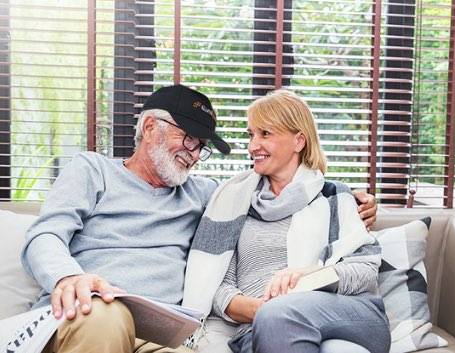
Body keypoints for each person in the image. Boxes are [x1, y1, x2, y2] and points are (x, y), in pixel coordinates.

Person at [20, 85, 378, 353]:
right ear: (149, 128)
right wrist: (68, 276)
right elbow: (45, 236)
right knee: (108, 316)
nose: (193, 154)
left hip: (161, 334)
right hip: (89, 313)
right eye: (186, 138)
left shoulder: (209, 195)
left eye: (201, 145)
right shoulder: (93, 171)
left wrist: (352, 198)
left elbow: (280, 189)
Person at [182, 90, 391, 353]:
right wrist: (262, 309)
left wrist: (312, 277)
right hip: (262, 327)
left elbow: (365, 269)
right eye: (251, 134)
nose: (252, 146)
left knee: (281, 315)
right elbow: (217, 287)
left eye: (265, 134)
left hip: (346, 315)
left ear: (298, 141)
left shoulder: (334, 196)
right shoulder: (233, 202)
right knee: (280, 320)